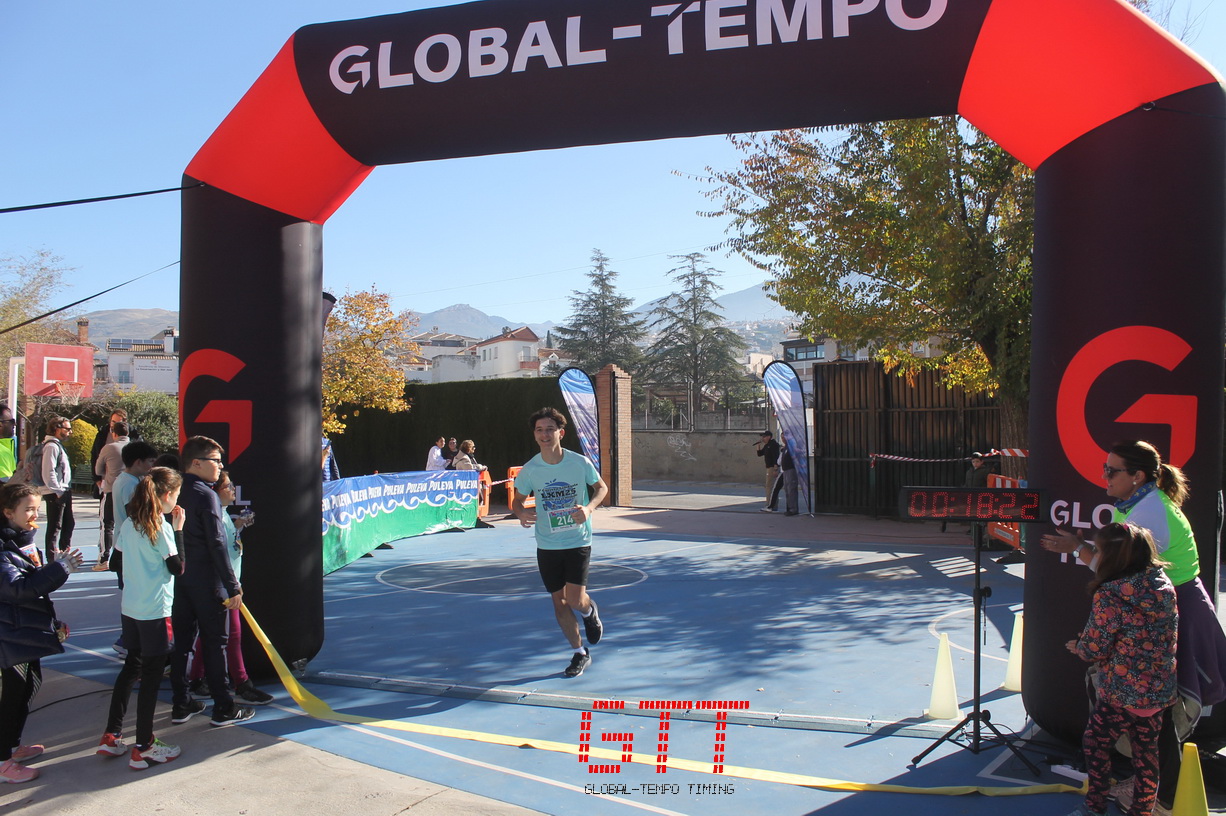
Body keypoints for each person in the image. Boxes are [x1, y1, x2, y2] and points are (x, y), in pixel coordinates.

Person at [1041, 440, 1226, 814]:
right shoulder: (1141, 507)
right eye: (1105, 468)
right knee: (1154, 722)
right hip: (1170, 618)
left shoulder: (1147, 517)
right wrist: (1079, 547)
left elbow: (1116, 571)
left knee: (1160, 723)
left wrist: (1077, 548)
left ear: (1138, 475)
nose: (1105, 477)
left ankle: (1162, 798)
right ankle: (1152, 793)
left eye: (1112, 470)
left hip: (1176, 619)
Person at [1064, 522, 1177, 816]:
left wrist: (1080, 646)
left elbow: (1095, 648)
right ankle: (1142, 810)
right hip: (1158, 689)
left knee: (1095, 743)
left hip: (1123, 691)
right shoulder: (1162, 583)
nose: (1097, 556)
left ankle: (1095, 806)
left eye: (1099, 551)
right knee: (1146, 752)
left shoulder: (1111, 594)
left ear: (1112, 556)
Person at [95, 467, 186, 770]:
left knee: (131, 667)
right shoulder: (161, 527)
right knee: (151, 675)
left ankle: (112, 734)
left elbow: (115, 562)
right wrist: (179, 530)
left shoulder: (131, 525)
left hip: (131, 609)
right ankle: (145, 745)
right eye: (177, 495)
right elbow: (177, 567)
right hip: (155, 611)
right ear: (167, 495)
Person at [512, 407, 609, 678]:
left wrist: (588, 509)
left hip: (577, 540)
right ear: (535, 435)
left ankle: (589, 611)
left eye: (550, 429)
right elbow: (517, 501)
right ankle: (579, 653)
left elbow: (601, 488)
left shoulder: (579, 463)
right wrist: (521, 514)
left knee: (575, 600)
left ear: (561, 433)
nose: (545, 434)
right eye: (539, 430)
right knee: (559, 602)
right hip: (547, 544)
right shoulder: (531, 469)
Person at [167, 436, 255, 728]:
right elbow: (217, 543)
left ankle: (181, 703)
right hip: (207, 582)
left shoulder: (175, 492)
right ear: (196, 463)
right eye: (215, 461)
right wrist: (232, 585)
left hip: (180, 580)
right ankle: (223, 707)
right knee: (215, 643)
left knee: (182, 644)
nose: (219, 466)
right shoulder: (206, 496)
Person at [0, 483, 83, 783]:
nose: (35, 515)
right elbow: (18, 589)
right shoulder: (3, 547)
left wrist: (53, 622)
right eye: (28, 509)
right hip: (9, 634)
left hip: (24, 630)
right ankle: (3, 761)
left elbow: (36, 586)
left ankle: (11, 745)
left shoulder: (24, 541)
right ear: (8, 512)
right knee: (13, 694)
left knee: (30, 685)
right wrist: (59, 569)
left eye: (37, 508)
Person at [185, 471, 272, 706]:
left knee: (210, 633)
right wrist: (231, 585)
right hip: (224, 585)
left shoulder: (222, 513)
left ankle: (196, 678)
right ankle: (241, 683)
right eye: (228, 487)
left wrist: (237, 526)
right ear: (216, 491)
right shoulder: (215, 515)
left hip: (227, 582)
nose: (233, 490)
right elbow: (218, 548)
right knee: (233, 634)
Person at [94, 420, 131, 570]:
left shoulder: (109, 448)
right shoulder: (134, 448)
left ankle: (105, 557)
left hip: (111, 489)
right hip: (131, 491)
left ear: (114, 433)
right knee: (130, 523)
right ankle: (129, 553)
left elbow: (98, 470)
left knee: (107, 524)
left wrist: (109, 472)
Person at [38, 415, 74, 564]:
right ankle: (52, 558)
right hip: (55, 492)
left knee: (68, 523)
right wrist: (58, 491)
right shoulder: (51, 446)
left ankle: (63, 553)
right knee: (55, 526)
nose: (70, 432)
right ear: (57, 428)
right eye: (67, 429)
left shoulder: (56, 445)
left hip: (62, 490)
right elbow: (48, 471)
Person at [90, 409, 132, 499]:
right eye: (113, 421)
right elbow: (94, 456)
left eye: (118, 422)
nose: (114, 425)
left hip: (127, 482)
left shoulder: (133, 436)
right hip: (105, 481)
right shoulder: (102, 434)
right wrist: (97, 479)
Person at [765, 434, 799, 516]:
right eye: (782, 437)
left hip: (790, 470)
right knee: (786, 490)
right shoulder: (784, 448)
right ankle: (789, 508)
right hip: (784, 471)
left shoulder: (792, 447)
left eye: (784, 437)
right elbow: (779, 461)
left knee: (791, 490)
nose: (783, 439)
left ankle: (793, 509)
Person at [754, 430, 780, 509]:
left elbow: (776, 457)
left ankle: (770, 505)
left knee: (770, 487)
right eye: (762, 437)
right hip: (769, 467)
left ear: (769, 437)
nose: (763, 438)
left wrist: (775, 469)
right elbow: (760, 454)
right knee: (769, 486)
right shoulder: (767, 445)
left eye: (764, 437)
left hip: (772, 468)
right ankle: (770, 504)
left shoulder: (773, 445)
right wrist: (758, 445)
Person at [0, 405, 16, 483]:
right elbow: (6, 486)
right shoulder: (2, 452)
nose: (15, 424)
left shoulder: (5, 449)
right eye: (12, 421)